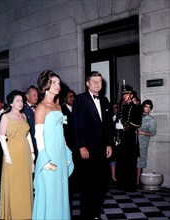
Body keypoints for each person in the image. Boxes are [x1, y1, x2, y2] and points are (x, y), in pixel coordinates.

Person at [32, 70, 74, 220]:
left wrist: (67, 153)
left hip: (60, 155)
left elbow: (61, 133)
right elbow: (38, 136)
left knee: (61, 193)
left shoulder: (58, 107)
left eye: (58, 82)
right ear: (46, 85)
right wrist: (45, 160)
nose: (58, 85)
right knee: (49, 193)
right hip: (48, 157)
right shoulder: (41, 107)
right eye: (54, 82)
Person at [72, 71, 114, 220]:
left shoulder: (105, 100)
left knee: (102, 183)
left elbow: (108, 125)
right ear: (87, 84)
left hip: (102, 149)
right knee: (87, 185)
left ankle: (95, 213)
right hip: (87, 149)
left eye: (100, 82)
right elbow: (76, 124)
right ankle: (86, 216)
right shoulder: (80, 99)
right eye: (94, 81)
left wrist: (109, 143)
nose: (97, 84)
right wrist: (81, 146)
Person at [0, 90, 34, 220]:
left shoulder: (24, 116)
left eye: (22, 101)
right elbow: (2, 138)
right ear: (11, 103)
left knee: (25, 184)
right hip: (12, 153)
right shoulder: (5, 117)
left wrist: (32, 153)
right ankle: (14, 215)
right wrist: (7, 156)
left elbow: (28, 134)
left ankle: (26, 214)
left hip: (25, 152)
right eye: (18, 100)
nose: (21, 103)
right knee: (14, 185)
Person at [116, 85, 142, 191]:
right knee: (122, 160)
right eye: (123, 94)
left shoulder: (136, 107)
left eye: (127, 94)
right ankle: (122, 183)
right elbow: (120, 118)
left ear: (131, 95)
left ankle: (130, 185)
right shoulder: (121, 106)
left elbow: (138, 124)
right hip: (122, 136)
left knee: (130, 161)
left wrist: (126, 125)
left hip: (130, 136)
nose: (124, 96)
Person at [61, 89, 80, 214]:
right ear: (65, 99)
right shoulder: (62, 110)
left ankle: (75, 186)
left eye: (73, 96)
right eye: (70, 97)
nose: (72, 98)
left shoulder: (77, 109)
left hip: (77, 144)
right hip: (67, 144)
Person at [137, 99, 157, 185]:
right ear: (143, 106)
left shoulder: (151, 119)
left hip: (143, 142)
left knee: (140, 161)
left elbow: (153, 133)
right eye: (146, 106)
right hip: (133, 141)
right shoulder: (137, 115)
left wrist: (142, 133)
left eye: (149, 107)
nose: (147, 109)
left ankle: (137, 181)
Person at [23, 85, 39, 161]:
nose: (36, 97)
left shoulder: (39, 107)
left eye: (37, 95)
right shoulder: (23, 110)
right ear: (27, 96)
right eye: (34, 95)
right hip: (30, 142)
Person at [109, 102, 118, 182]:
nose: (115, 109)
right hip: (110, 140)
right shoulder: (109, 117)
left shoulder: (120, 117)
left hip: (118, 140)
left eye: (117, 107)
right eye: (114, 107)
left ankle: (114, 176)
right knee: (112, 158)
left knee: (115, 158)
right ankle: (112, 176)